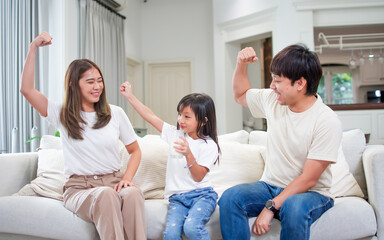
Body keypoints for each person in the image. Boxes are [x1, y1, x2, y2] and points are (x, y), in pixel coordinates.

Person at [20, 32, 146, 240]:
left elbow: (135, 151)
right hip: (80, 189)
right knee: (106, 195)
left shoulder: (115, 113)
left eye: (99, 81)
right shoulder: (61, 112)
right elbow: (26, 89)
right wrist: (33, 47)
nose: (97, 87)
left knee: (132, 193)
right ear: (73, 84)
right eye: (90, 82)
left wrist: (126, 179)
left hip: (113, 182)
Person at [219, 44, 342, 240]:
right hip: (269, 185)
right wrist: (241, 64)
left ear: (300, 84)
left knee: (294, 206)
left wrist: (271, 206)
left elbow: (310, 179)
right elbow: (240, 95)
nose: (272, 86)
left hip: (312, 193)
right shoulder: (272, 100)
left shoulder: (326, 120)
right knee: (230, 198)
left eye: (277, 80)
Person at [120, 82, 220, 240]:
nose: (181, 119)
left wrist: (188, 154)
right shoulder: (176, 134)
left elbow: (199, 176)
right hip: (178, 198)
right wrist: (130, 97)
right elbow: (151, 116)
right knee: (171, 235)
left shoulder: (209, 145)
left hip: (202, 196)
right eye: (179, 114)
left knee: (192, 228)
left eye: (187, 116)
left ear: (203, 121)